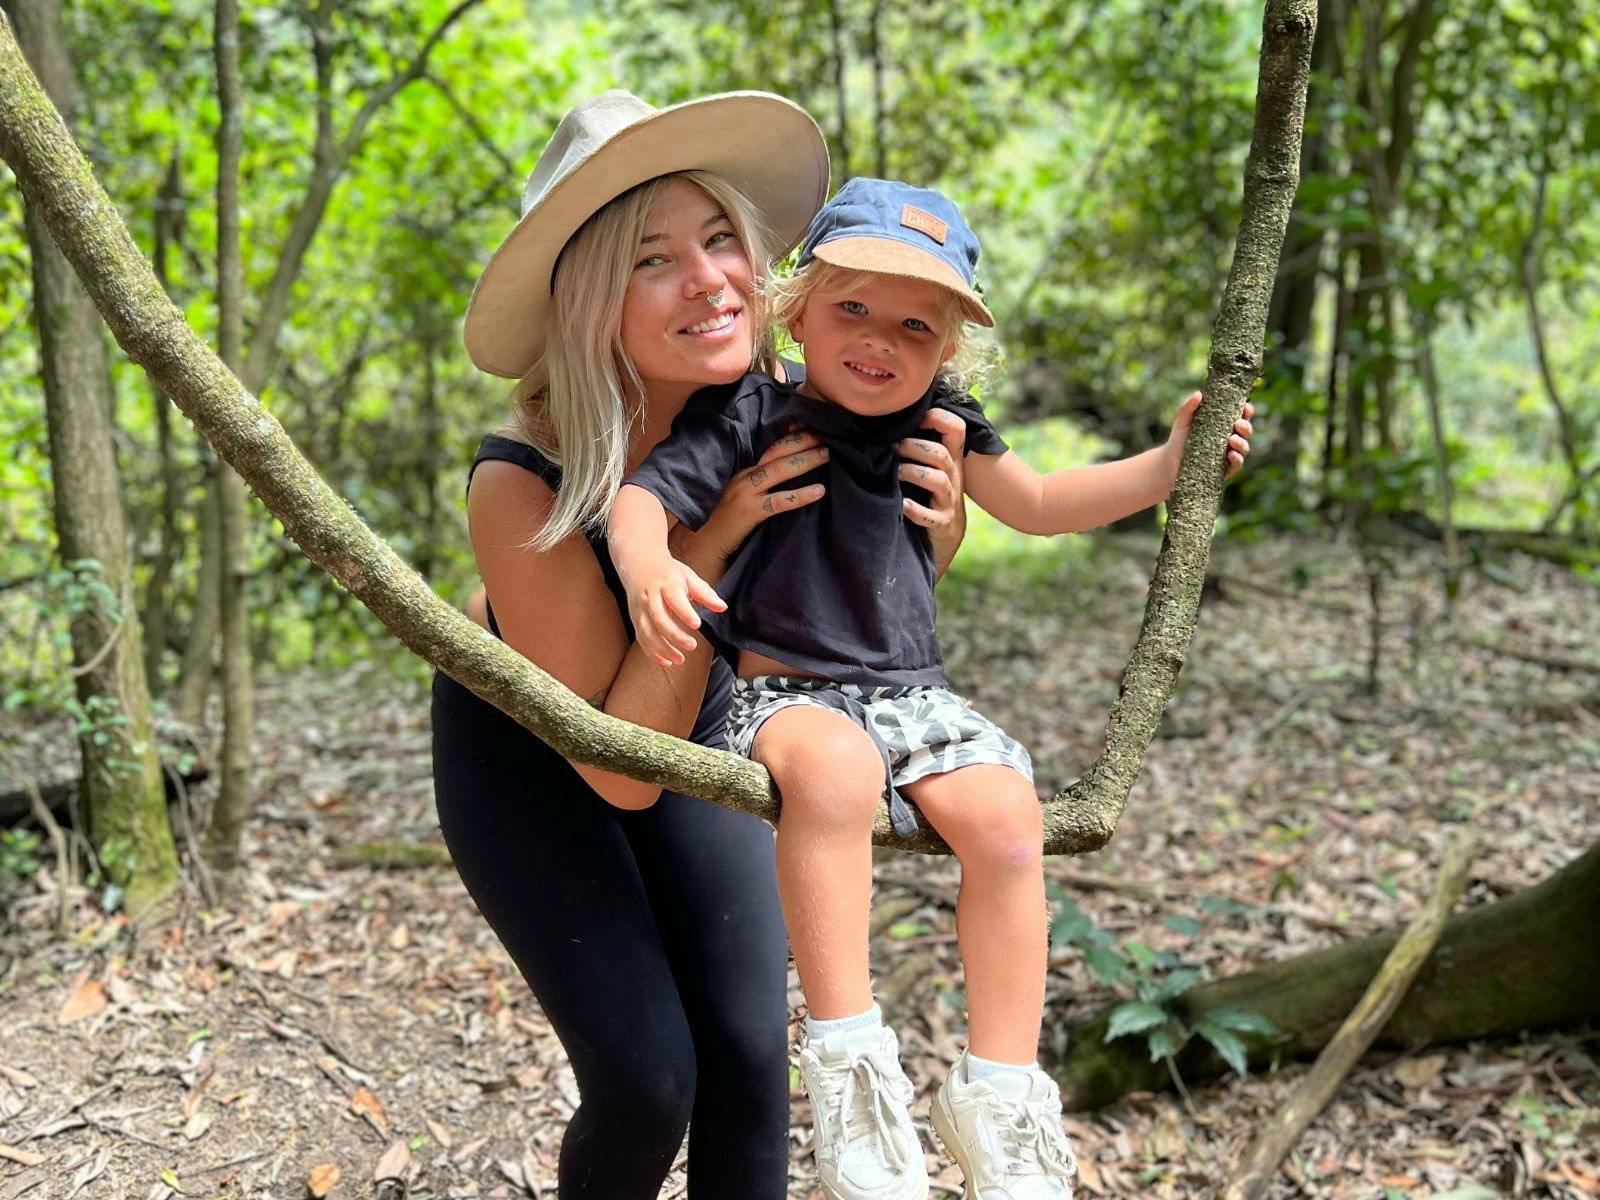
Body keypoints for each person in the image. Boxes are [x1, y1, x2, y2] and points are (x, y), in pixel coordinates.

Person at [607, 178, 1254, 1200]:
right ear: (799, 311)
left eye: (916, 324)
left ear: (948, 347)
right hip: (786, 693)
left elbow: (1040, 501)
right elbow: (641, 501)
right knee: (834, 774)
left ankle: (999, 1090)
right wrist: (650, 565)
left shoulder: (944, 421)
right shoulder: (753, 412)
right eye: (853, 308)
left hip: (912, 699)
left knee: (1007, 818)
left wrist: (1171, 466)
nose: (879, 339)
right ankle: (849, 1061)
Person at [431, 94, 972, 1199]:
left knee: (746, 1060)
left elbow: (852, 622)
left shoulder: (803, 403)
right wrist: (711, 538)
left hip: (711, 715)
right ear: (589, 301)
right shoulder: (523, 475)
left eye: (721, 239)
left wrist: (937, 536)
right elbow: (622, 772)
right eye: (653, 259)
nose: (710, 280)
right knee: (647, 1081)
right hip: (536, 765)